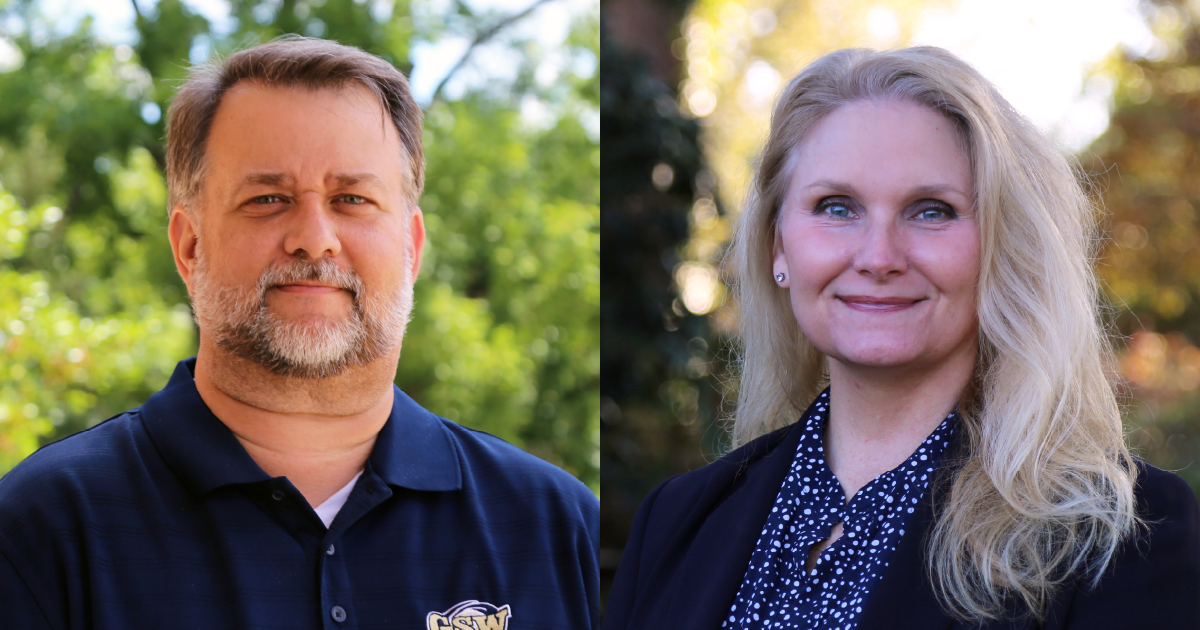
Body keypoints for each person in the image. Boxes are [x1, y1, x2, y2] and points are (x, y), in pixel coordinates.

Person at [0, 37, 599, 630]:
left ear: (411, 250)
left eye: (352, 199)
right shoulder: (43, 527)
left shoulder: (558, 528)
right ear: (189, 247)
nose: (314, 237)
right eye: (267, 198)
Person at [604, 47, 1200, 630]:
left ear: (1001, 248)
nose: (878, 256)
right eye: (836, 207)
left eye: (931, 211)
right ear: (778, 246)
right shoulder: (677, 522)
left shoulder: (1123, 532)